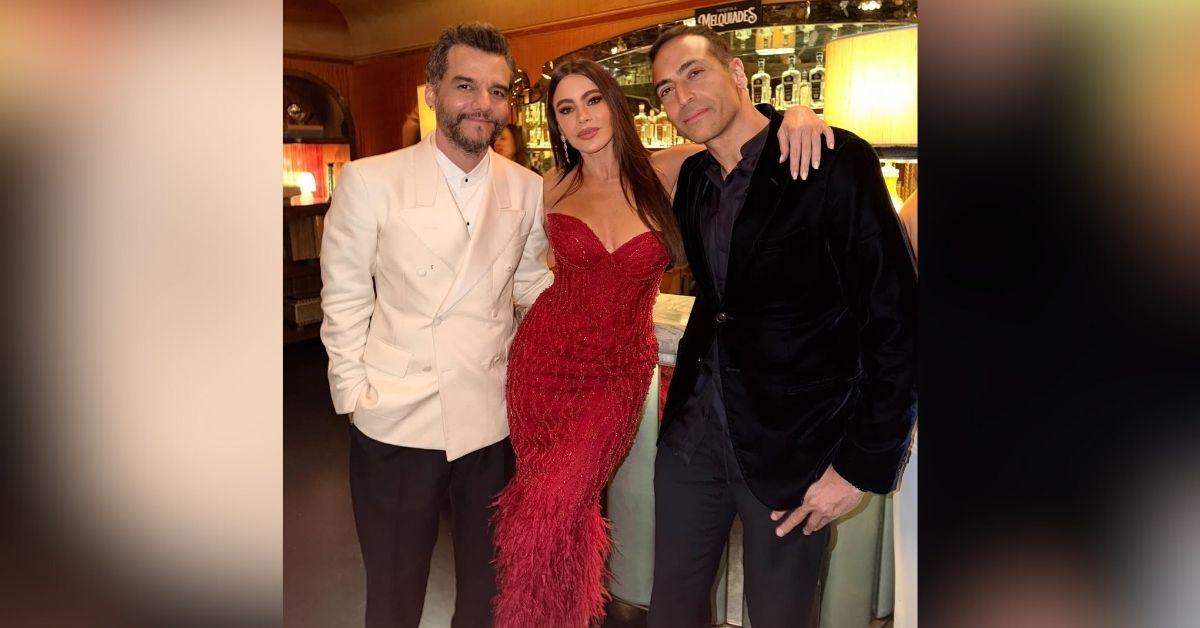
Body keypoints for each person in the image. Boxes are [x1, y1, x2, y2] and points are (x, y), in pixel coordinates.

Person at [491, 57, 832, 628]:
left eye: (593, 100)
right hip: (542, 365)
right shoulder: (548, 184)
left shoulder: (669, 170)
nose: (583, 118)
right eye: (566, 109)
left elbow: (742, 137)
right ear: (556, 124)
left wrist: (795, 113)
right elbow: (512, 265)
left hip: (616, 374)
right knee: (556, 507)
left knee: (547, 507)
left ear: (616, 105)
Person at [645, 24, 917, 628]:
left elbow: (895, 322)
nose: (682, 97)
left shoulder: (831, 160)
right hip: (693, 439)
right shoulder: (693, 181)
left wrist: (859, 467)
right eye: (665, 90)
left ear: (738, 73)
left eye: (695, 73)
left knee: (782, 617)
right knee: (671, 611)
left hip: (794, 446)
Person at [319, 23, 553, 628]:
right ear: (432, 93)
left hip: (491, 416)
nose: (483, 104)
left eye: (498, 92)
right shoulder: (371, 181)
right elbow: (344, 299)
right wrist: (354, 395)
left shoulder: (527, 189)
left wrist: (594, 298)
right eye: (466, 86)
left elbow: (527, 284)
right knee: (394, 592)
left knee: (486, 589)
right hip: (397, 415)